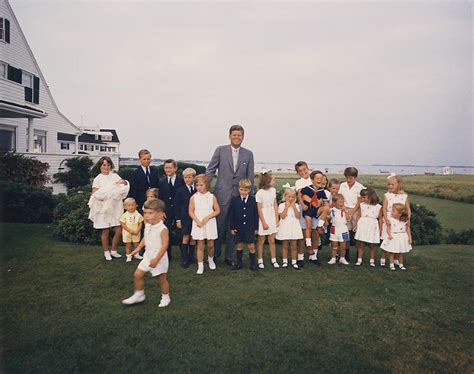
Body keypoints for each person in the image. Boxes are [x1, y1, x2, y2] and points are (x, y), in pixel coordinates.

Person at [206, 125, 255, 266]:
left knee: (233, 228)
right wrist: (203, 188)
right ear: (229, 136)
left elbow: (250, 176)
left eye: (239, 135)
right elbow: (211, 169)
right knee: (219, 226)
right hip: (221, 194)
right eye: (234, 135)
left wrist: (248, 197)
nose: (237, 137)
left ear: (243, 137)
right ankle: (214, 254)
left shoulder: (248, 154)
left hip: (239, 196)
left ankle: (229, 257)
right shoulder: (220, 150)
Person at [122, 199, 171, 307]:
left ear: (159, 215)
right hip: (148, 256)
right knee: (137, 274)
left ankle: (165, 297)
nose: (146, 216)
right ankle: (139, 294)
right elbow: (146, 237)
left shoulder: (163, 229)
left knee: (162, 279)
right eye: (145, 213)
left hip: (159, 258)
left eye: (150, 213)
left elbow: (164, 245)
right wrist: (138, 248)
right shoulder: (148, 225)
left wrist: (156, 259)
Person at [88, 156, 129, 261]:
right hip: (104, 208)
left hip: (116, 206)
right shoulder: (98, 179)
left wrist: (116, 191)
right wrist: (106, 195)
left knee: (119, 229)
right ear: (100, 166)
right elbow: (95, 194)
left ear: (111, 165)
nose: (106, 167)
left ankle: (114, 251)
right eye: (104, 165)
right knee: (105, 230)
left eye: (108, 164)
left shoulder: (115, 176)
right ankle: (106, 252)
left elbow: (122, 187)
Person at [189, 174, 220, 274]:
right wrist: (197, 221)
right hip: (198, 222)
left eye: (201, 185)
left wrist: (207, 217)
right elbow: (190, 211)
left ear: (206, 185)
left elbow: (217, 210)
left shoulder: (212, 197)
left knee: (211, 244)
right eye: (197, 185)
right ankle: (200, 265)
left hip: (209, 222)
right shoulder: (193, 197)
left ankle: (210, 259)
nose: (199, 187)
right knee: (200, 245)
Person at [380, 174, 411, 268]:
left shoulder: (404, 196)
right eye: (389, 184)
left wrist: (408, 218)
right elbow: (384, 209)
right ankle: (383, 258)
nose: (390, 186)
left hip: (400, 219)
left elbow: (408, 208)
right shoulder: (387, 195)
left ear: (398, 184)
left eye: (392, 184)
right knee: (386, 240)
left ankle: (396, 259)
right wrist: (386, 219)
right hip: (389, 219)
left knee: (398, 240)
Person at [300, 170, 330, 265]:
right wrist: (302, 204)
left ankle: (319, 226)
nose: (320, 180)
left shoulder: (322, 191)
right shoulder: (307, 188)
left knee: (326, 207)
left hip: (316, 211)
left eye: (321, 178)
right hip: (308, 210)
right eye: (317, 178)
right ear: (312, 180)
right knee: (308, 227)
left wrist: (320, 204)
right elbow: (300, 195)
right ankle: (308, 246)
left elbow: (325, 203)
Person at [229, 179, 259, 270]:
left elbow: (256, 214)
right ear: (239, 189)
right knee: (239, 245)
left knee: (251, 246)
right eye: (241, 190)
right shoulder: (234, 200)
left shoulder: (253, 200)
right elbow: (231, 214)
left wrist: (256, 228)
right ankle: (239, 263)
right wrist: (232, 227)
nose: (243, 192)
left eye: (245, 190)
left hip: (249, 227)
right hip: (238, 227)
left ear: (249, 190)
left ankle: (253, 264)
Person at [159, 159, 185, 261]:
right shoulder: (162, 182)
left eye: (170, 167)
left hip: (179, 212)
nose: (168, 170)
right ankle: (167, 256)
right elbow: (160, 198)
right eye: (166, 168)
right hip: (167, 213)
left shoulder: (181, 180)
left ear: (175, 168)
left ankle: (185, 257)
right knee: (166, 234)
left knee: (181, 235)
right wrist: (161, 211)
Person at [338, 167, 366, 261]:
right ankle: (346, 252)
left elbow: (359, 201)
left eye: (351, 178)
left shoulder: (360, 187)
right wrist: (345, 210)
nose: (348, 180)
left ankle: (359, 254)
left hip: (356, 210)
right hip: (344, 210)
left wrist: (352, 211)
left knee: (357, 232)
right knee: (346, 232)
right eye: (347, 178)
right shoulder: (342, 185)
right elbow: (340, 198)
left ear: (356, 177)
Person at [256, 170, 279, 269]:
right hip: (264, 217)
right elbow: (259, 209)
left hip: (272, 216)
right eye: (273, 179)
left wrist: (276, 218)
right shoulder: (259, 193)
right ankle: (260, 259)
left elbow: (275, 204)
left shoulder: (273, 190)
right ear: (267, 181)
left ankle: (273, 259)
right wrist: (264, 222)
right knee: (261, 240)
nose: (274, 181)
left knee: (272, 240)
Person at [276, 186, 303, 270]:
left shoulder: (296, 206)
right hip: (285, 227)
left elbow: (298, 216)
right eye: (289, 196)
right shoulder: (281, 205)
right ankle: (285, 261)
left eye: (293, 197)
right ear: (285, 196)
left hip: (294, 227)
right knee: (285, 245)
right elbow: (282, 217)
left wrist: (294, 207)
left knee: (294, 246)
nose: (291, 198)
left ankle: (294, 261)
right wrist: (287, 207)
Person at [174, 168, 197, 268]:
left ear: (194, 177)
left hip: (195, 217)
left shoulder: (197, 189)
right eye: (185, 177)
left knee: (193, 237)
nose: (187, 179)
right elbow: (177, 206)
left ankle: (191, 256)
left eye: (189, 177)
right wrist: (178, 219)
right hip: (184, 217)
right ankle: (185, 258)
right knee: (185, 236)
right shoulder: (180, 190)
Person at [354, 188, 382, 267]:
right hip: (363, 224)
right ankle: (359, 260)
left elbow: (380, 218)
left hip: (372, 226)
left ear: (370, 197)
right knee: (361, 244)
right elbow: (359, 215)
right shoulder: (362, 205)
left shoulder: (378, 207)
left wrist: (380, 229)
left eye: (364, 197)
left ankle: (372, 261)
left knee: (372, 245)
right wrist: (356, 225)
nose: (362, 199)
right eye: (362, 197)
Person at [380, 203, 412, 271]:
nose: (392, 212)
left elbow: (407, 229)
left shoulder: (405, 220)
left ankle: (401, 264)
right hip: (394, 237)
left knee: (400, 252)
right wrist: (389, 235)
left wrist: (409, 237)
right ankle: (391, 264)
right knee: (392, 252)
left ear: (400, 213)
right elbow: (388, 228)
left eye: (393, 211)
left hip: (402, 237)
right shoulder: (390, 219)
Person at [294, 161, 313, 267]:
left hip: (315, 208)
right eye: (300, 171)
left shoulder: (314, 178)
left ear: (308, 168)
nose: (303, 172)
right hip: (303, 208)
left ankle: (313, 256)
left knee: (314, 233)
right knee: (303, 233)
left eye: (304, 169)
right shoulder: (299, 182)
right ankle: (300, 257)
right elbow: (301, 194)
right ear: (297, 173)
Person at [327, 194, 350, 265]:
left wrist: (345, 211)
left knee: (343, 245)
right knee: (334, 245)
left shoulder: (345, 210)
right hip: (334, 228)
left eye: (342, 202)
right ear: (334, 203)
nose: (341, 204)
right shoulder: (332, 210)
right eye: (339, 202)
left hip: (343, 229)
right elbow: (328, 217)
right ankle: (333, 258)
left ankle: (342, 258)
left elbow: (349, 219)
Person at [120, 197, 144, 262]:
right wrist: (129, 230)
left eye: (133, 205)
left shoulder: (138, 215)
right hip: (127, 233)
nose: (131, 207)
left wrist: (138, 230)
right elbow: (123, 224)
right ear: (125, 207)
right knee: (128, 245)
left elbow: (140, 223)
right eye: (129, 205)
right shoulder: (124, 215)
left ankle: (136, 254)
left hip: (136, 232)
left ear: (136, 205)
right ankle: (128, 255)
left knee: (136, 244)